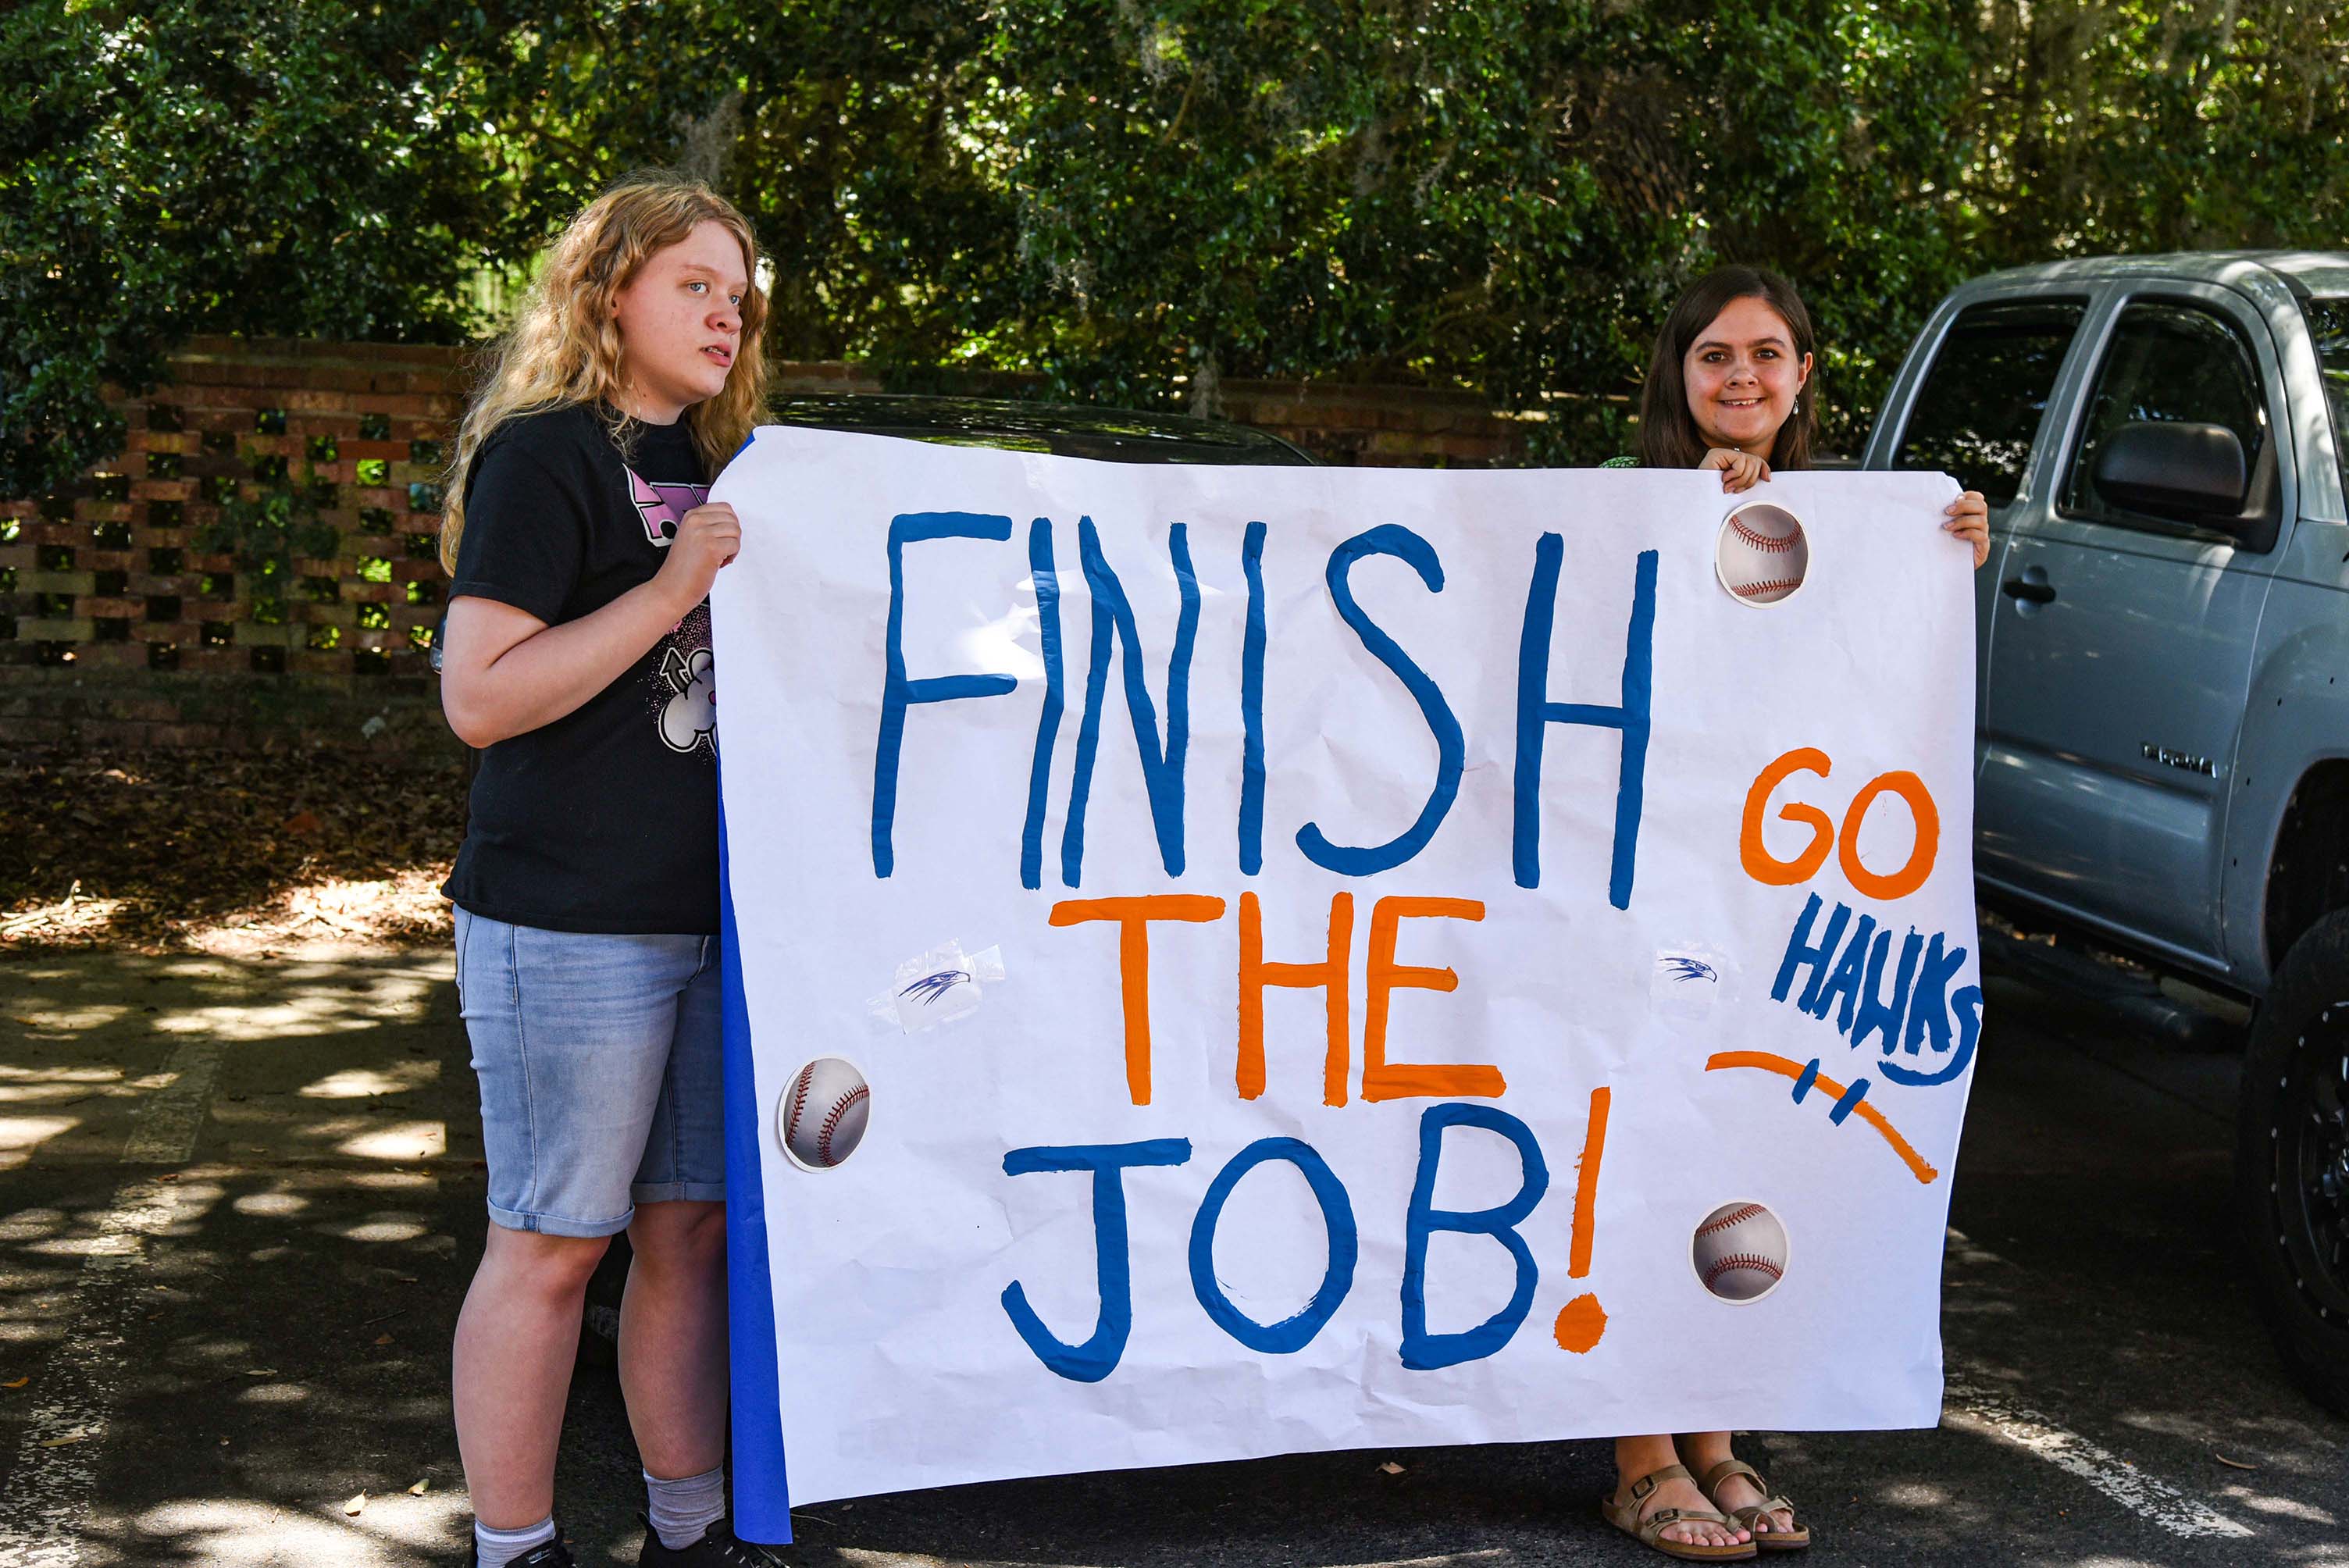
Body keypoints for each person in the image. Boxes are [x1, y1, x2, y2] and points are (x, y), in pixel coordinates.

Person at [1595, 265, 1988, 1562]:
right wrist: (1667, 529)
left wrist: (1941, 559)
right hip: (1645, 890)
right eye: (1715, 356)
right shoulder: (1619, 506)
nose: (1742, 379)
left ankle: (1716, 1438)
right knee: (1648, 1142)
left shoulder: (1850, 526)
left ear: (1806, 373)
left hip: (1772, 895)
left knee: (1742, 1147)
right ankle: (1640, 1453)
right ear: (1679, 372)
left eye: (1767, 354)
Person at [434, 174, 779, 1568]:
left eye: (737, 292)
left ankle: (689, 1533)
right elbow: (481, 698)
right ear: (611, 292)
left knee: (687, 1239)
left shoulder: (751, 470)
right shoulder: (547, 458)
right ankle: (516, 1547)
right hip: (569, 922)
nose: (725, 309)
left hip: (727, 924)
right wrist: (664, 593)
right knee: (555, 1245)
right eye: (693, 282)